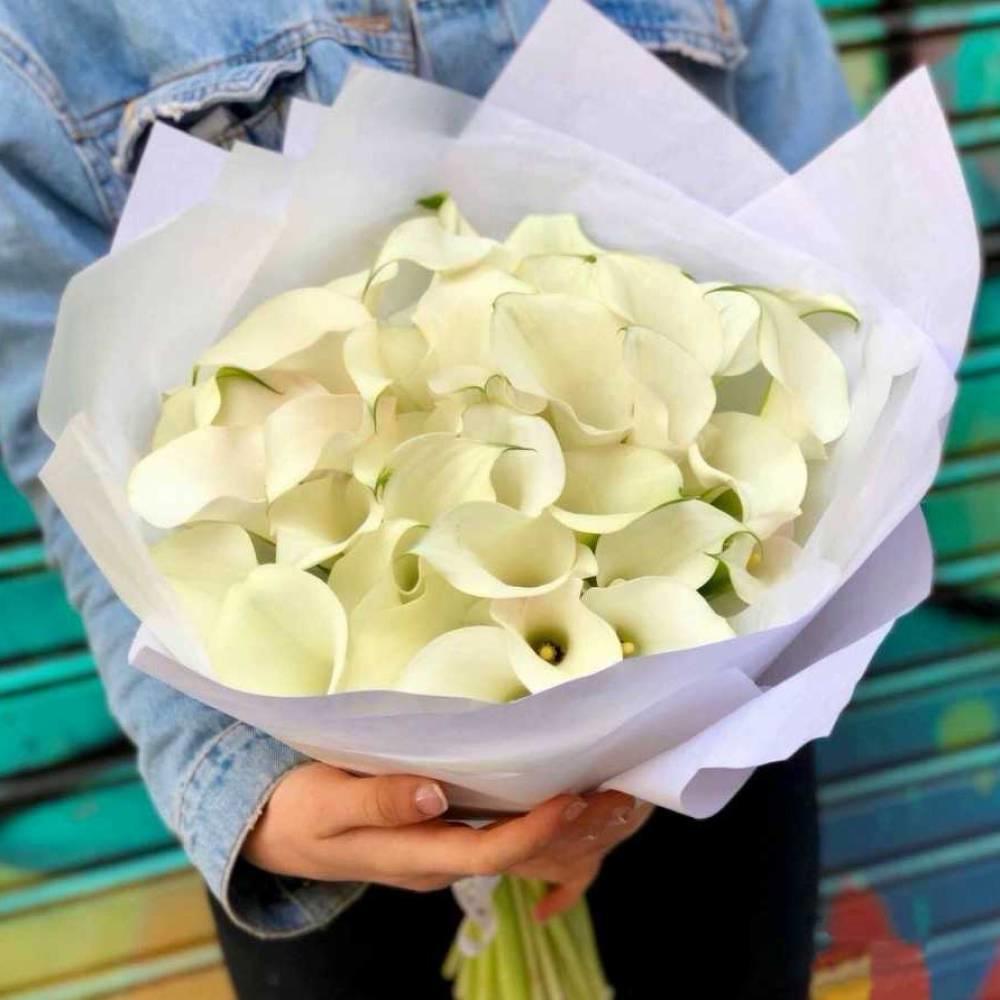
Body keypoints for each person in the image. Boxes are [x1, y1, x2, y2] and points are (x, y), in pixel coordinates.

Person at [0, 1, 856, 996]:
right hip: (340, 822)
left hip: (704, 752)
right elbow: (73, 444)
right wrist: (243, 785)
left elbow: (823, 249)